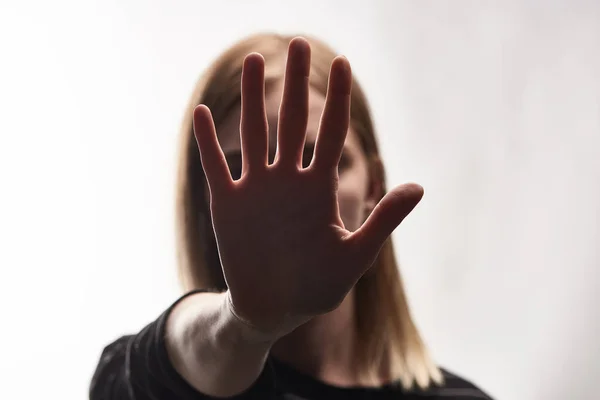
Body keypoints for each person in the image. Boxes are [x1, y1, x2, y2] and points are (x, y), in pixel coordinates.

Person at [90, 33, 492, 399]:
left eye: (318, 157)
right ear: (202, 203)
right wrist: (245, 323)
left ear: (373, 188)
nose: (287, 196)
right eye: (239, 167)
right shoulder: (139, 385)